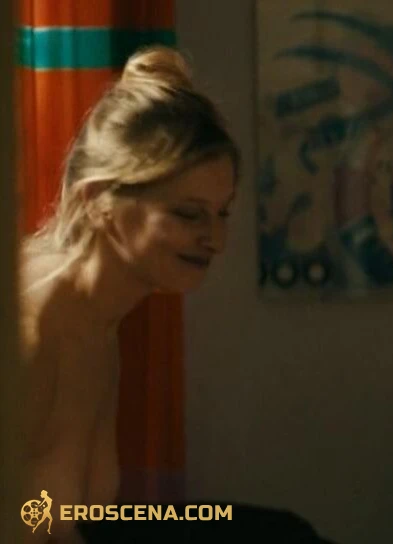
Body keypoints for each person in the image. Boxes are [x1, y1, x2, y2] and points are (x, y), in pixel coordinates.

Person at [17, 45, 239, 543]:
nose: (216, 240)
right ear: (99, 201)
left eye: (222, 212)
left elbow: (53, 520)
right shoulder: (32, 337)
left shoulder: (98, 317)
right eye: (188, 213)